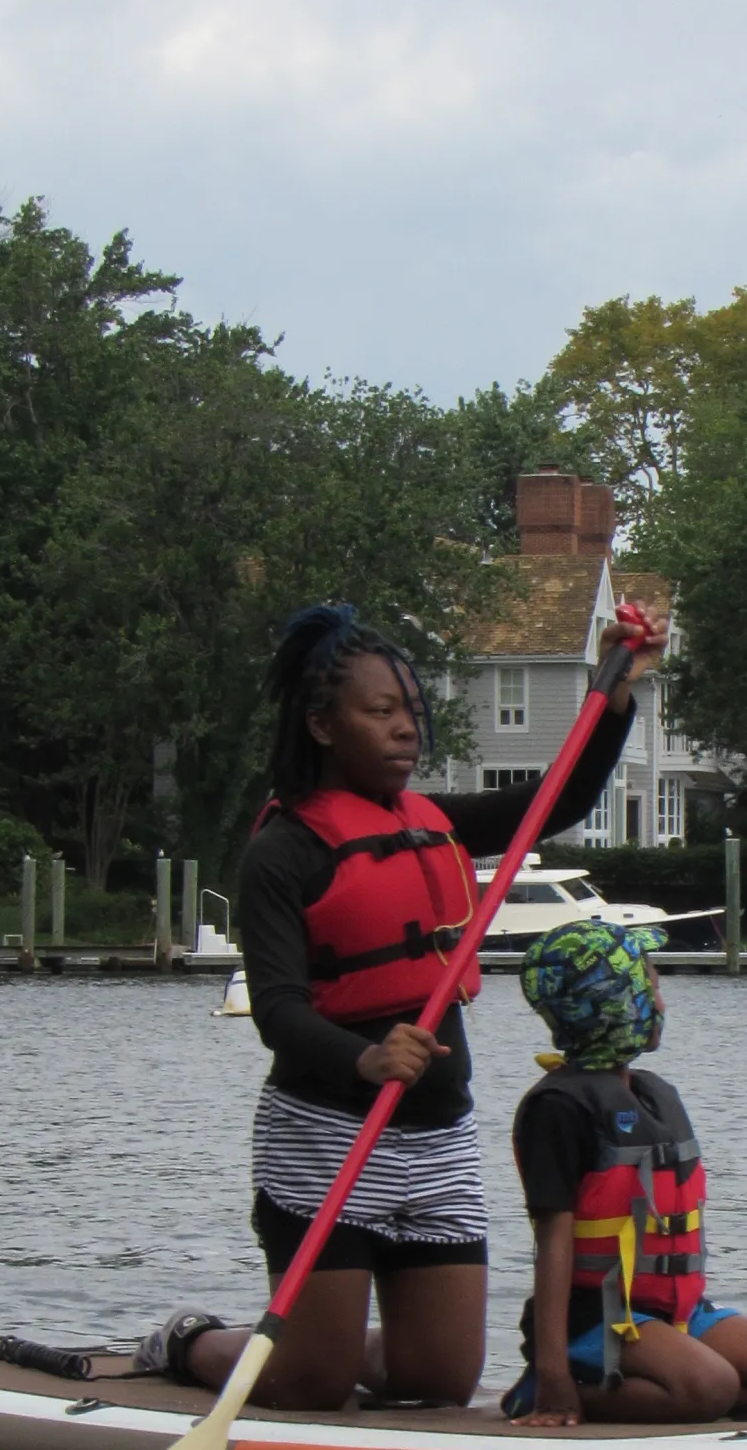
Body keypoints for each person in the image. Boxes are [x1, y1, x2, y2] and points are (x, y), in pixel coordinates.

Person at [149, 600, 661, 1408]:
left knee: (438, 1382)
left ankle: (342, 1336)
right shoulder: (283, 852)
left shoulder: (433, 824)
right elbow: (277, 1011)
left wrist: (617, 690)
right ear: (322, 726)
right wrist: (365, 1055)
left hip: (438, 1144)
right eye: (380, 713)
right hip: (325, 1139)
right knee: (308, 1386)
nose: (405, 730)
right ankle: (195, 1343)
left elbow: (557, 801)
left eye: (410, 713)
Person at [502, 918, 747, 1426]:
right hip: (595, 1317)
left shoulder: (655, 1092)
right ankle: (553, 1391)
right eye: (650, 988)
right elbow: (554, 1241)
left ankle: (678, 1385)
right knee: (709, 1386)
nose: (660, 1003)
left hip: (678, 1312)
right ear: (613, 1002)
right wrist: (553, 1374)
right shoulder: (557, 1106)